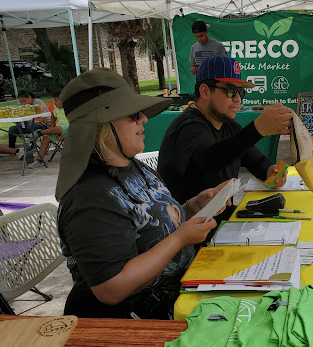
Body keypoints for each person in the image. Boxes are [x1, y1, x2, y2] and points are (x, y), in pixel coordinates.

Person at [56, 68, 231, 319]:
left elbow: (152, 224)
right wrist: (180, 239)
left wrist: (193, 206)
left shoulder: (133, 166)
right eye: (132, 114)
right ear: (101, 125)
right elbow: (111, 288)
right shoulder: (90, 197)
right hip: (129, 322)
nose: (144, 119)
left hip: (177, 293)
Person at [158, 56, 292, 222]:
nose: (238, 99)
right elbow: (211, 160)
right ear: (205, 91)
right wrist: (257, 129)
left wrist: (270, 171)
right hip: (188, 229)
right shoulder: (187, 127)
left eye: (240, 92)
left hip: (219, 221)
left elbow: (254, 160)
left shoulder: (228, 125)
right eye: (230, 90)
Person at [0, 90, 49, 160]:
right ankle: (11, 149)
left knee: (30, 126)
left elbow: (43, 118)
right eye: (21, 102)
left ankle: (31, 141)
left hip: (41, 124)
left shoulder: (38, 103)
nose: (23, 103)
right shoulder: (23, 107)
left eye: (24, 101)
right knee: (12, 129)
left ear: (30, 97)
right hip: (27, 125)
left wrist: (28, 120)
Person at [28, 89, 69, 168]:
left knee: (61, 128)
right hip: (58, 129)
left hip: (70, 128)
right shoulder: (57, 109)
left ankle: (39, 132)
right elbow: (53, 116)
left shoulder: (70, 108)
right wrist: (52, 126)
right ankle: (39, 160)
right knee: (46, 137)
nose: (54, 102)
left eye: (56, 100)